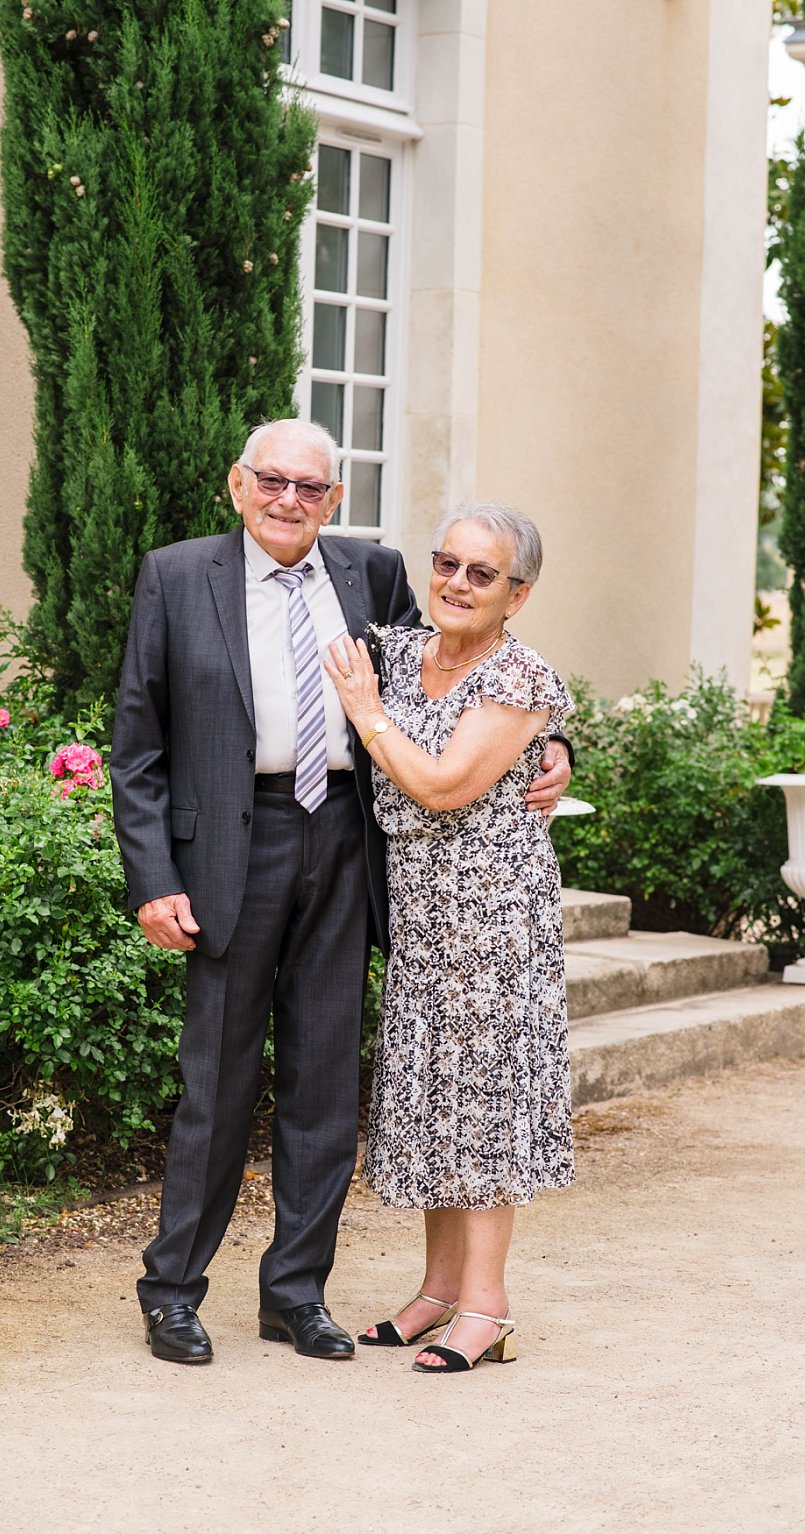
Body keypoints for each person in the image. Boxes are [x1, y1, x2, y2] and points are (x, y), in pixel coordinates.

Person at [108, 418, 570, 1365]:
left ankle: (293, 1295)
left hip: (349, 841)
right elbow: (138, 746)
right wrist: (153, 878)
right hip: (234, 850)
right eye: (271, 481)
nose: (289, 499)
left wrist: (556, 745)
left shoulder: (374, 574)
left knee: (323, 1084)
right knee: (217, 1084)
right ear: (237, 485)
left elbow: (468, 673)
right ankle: (173, 1294)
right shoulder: (175, 575)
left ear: (336, 499)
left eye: (309, 487)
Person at [321, 502, 573, 1374]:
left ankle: (488, 1308)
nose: (457, 584)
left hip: (494, 916)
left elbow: (439, 787)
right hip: (421, 916)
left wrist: (366, 712)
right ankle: (436, 1293)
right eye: (448, 564)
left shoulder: (519, 678)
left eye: (482, 574)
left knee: (484, 1103)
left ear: (518, 594)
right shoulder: (399, 651)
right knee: (433, 1098)